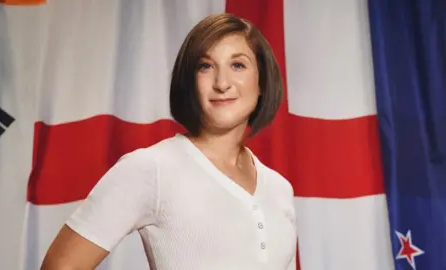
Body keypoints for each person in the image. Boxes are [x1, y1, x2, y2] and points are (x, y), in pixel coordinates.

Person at [41, 13, 296, 270]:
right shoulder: (151, 168)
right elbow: (60, 266)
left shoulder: (279, 189)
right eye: (205, 66)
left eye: (237, 65)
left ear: (262, 80)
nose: (222, 83)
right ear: (189, 80)